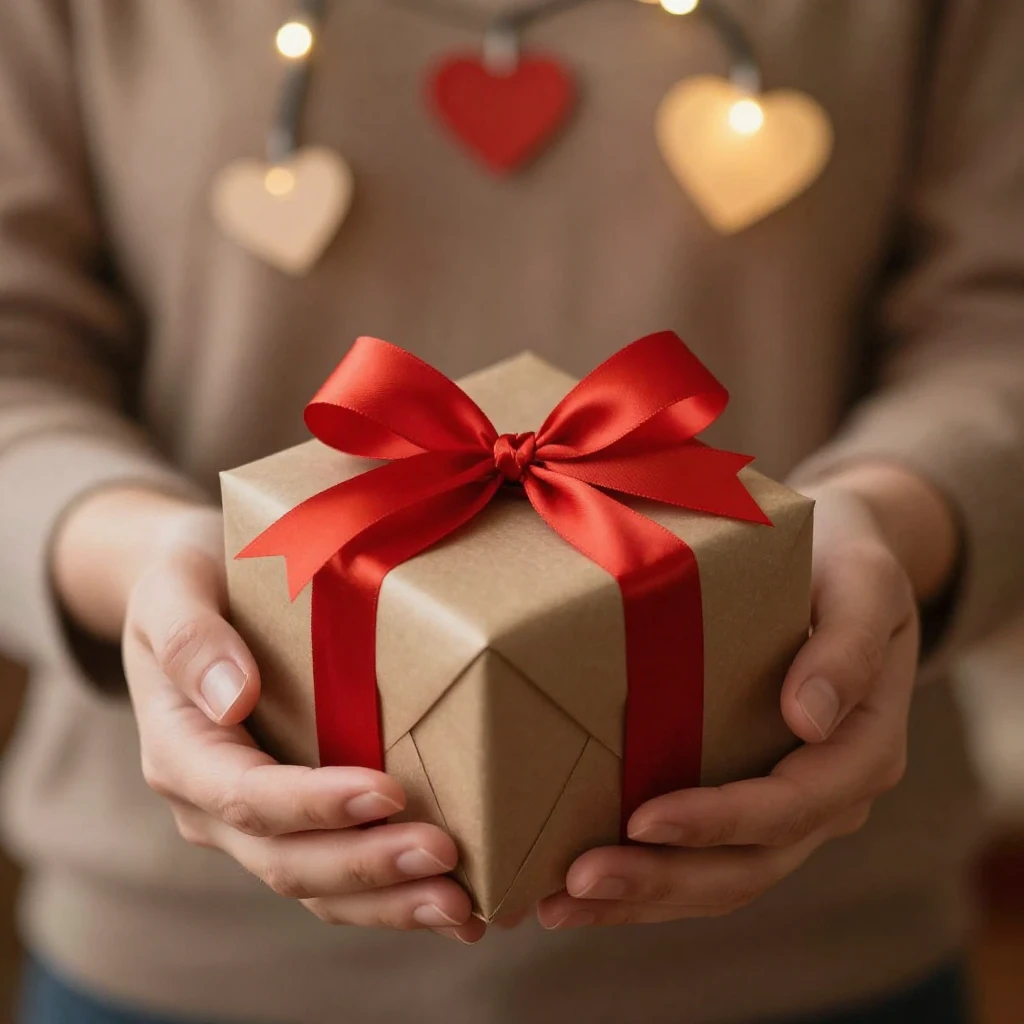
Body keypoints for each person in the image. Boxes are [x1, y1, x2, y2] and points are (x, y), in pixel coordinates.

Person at [0, 1, 1022, 1022]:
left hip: (816, 951)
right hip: (183, 961)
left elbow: (995, 322)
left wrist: (889, 519)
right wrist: (137, 556)